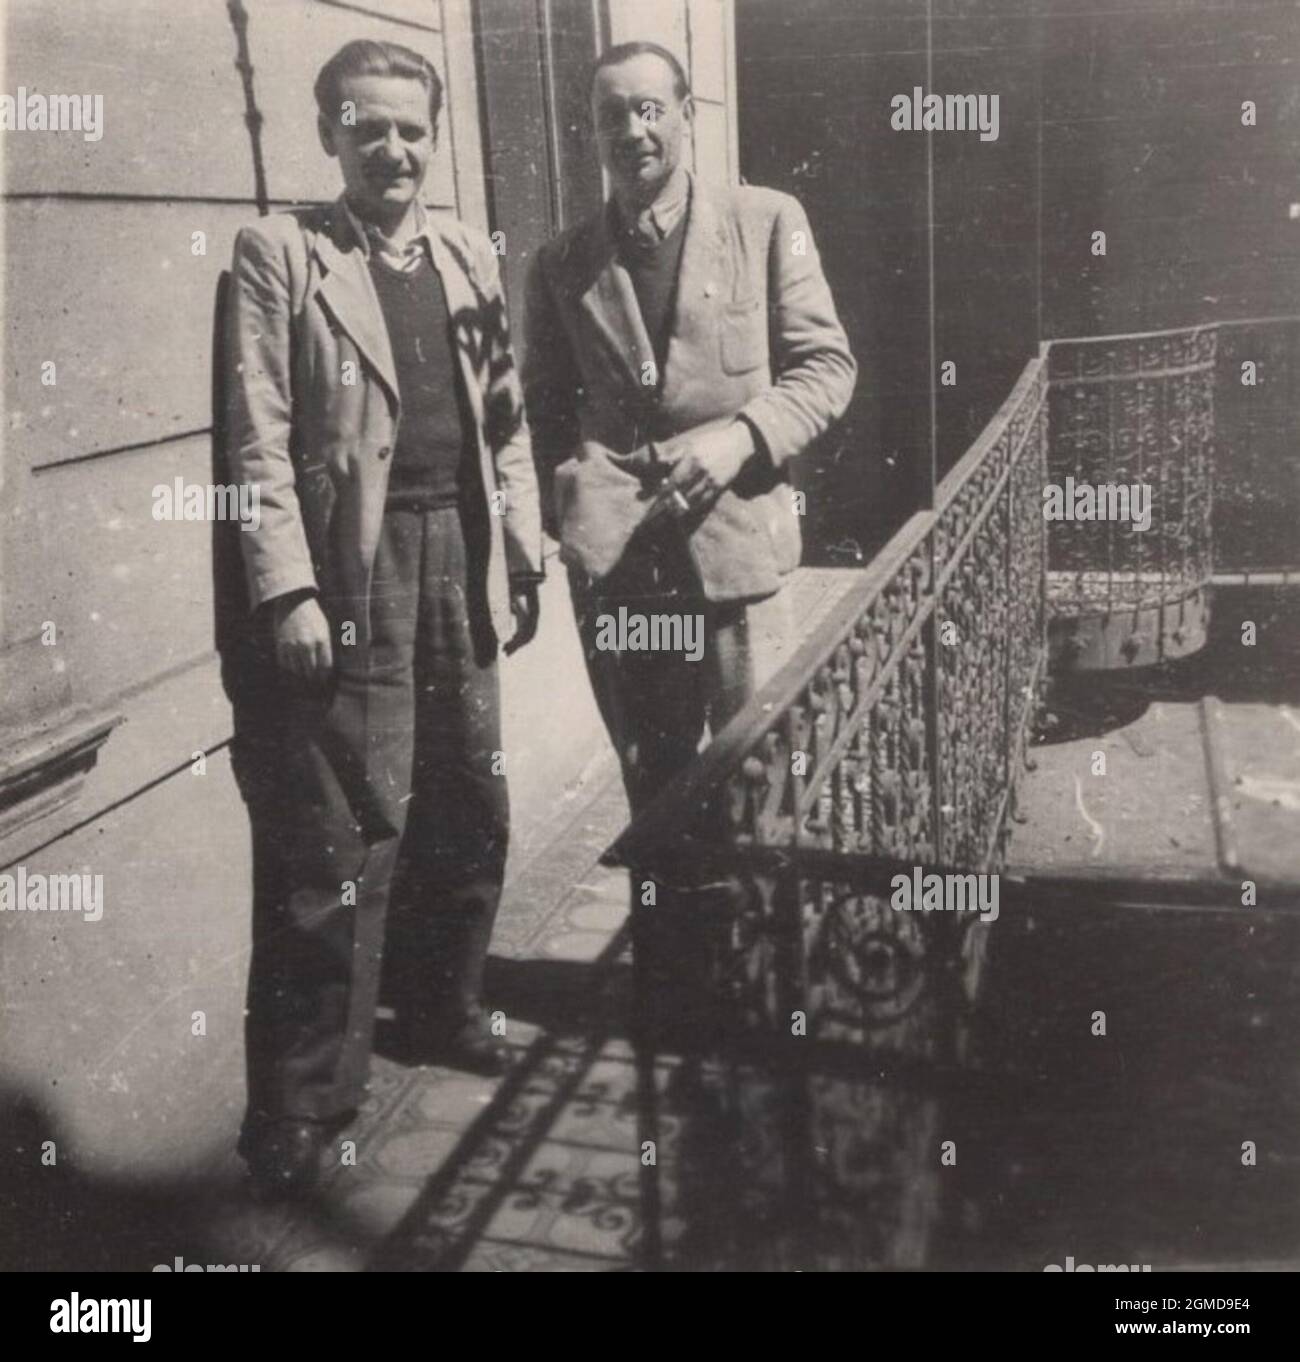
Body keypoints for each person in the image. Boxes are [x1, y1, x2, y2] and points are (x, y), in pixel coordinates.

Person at [223, 38, 542, 1196]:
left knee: (470, 789)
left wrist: (521, 545)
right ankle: (304, 1094)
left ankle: (443, 1003)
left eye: (411, 130)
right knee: (338, 833)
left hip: (458, 552)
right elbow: (253, 433)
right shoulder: (282, 257)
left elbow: (504, 419)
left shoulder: (465, 254)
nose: (393, 151)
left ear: (433, 135)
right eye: (369, 130)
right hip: (350, 574)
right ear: (330, 137)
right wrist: (287, 587)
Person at [523, 40, 856, 821]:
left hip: (741, 560)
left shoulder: (768, 220)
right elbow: (540, 410)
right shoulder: (562, 263)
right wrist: (572, 511)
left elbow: (827, 367)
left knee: (765, 777)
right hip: (625, 572)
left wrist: (743, 436)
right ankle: (673, 943)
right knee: (656, 790)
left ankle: (762, 944)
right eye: (612, 116)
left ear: (685, 117)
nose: (633, 131)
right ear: (593, 133)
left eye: (649, 110)